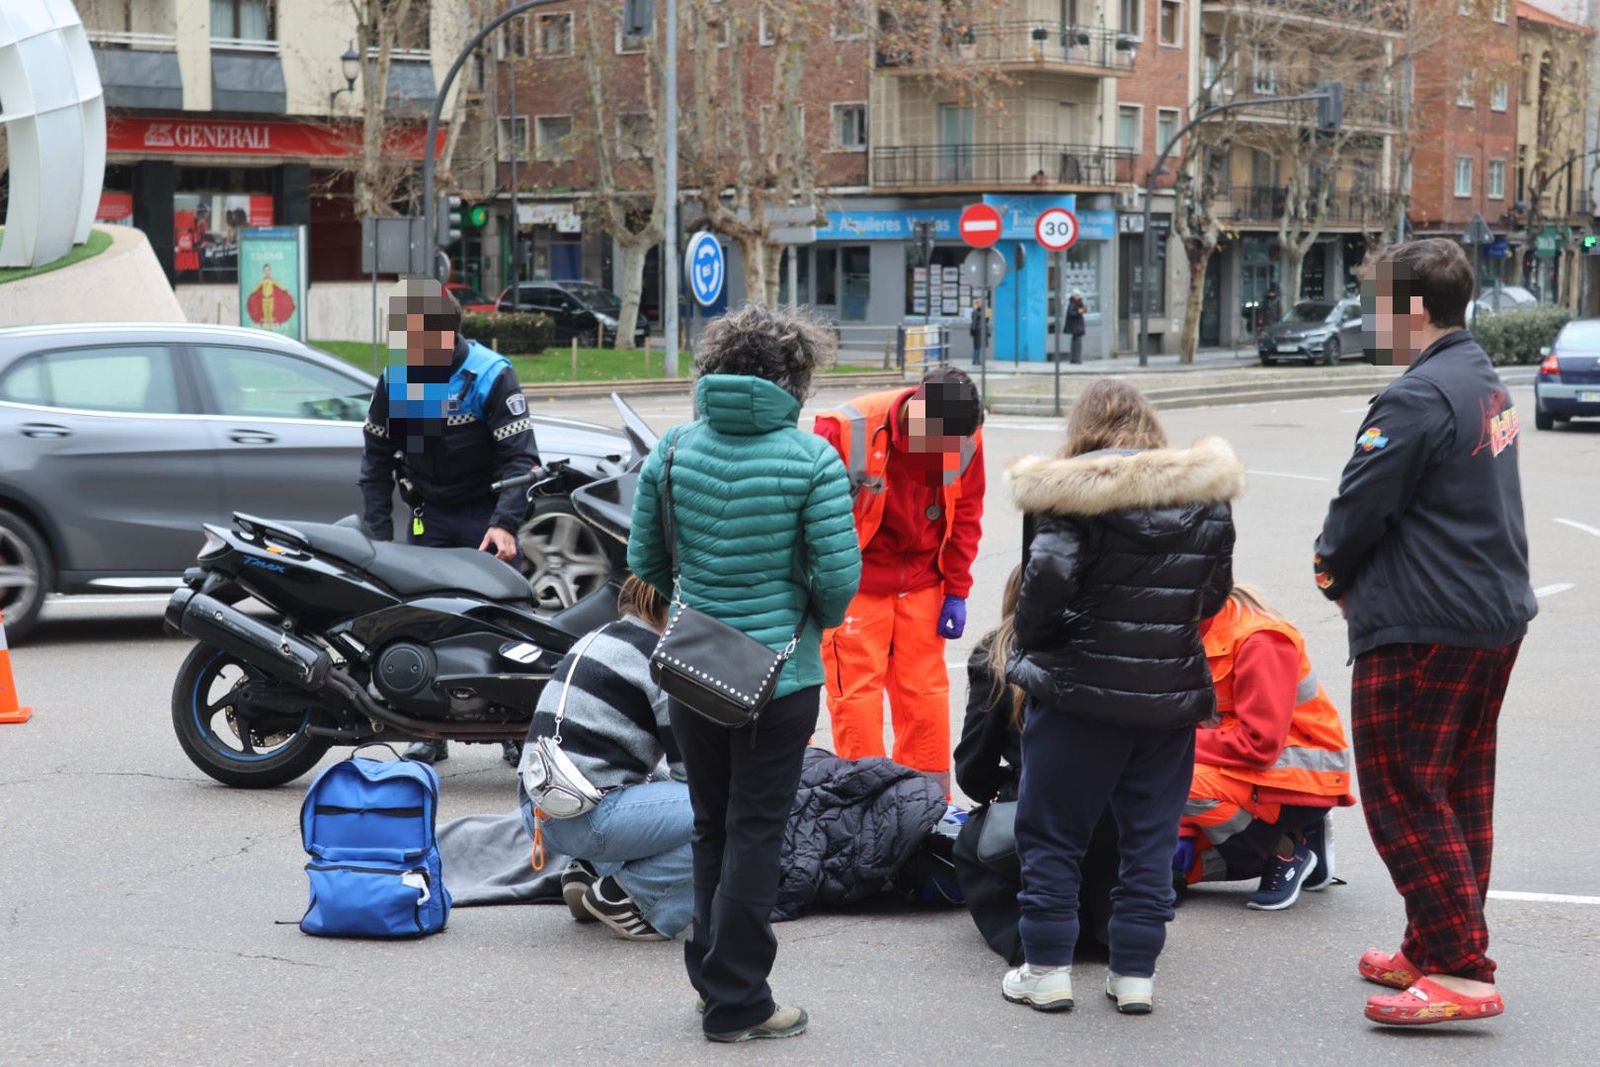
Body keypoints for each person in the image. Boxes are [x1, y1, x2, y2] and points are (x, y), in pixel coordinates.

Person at [1314, 238, 1536, 1026]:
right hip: (1489, 611)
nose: (1369, 317)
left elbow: (1358, 509)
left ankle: (1462, 969)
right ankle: (1434, 944)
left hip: (1426, 620)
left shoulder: (1415, 396)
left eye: (1376, 302)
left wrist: (1330, 572)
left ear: (1410, 309)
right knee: (1456, 789)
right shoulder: (1480, 377)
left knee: (1404, 792)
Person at [629, 304, 862, 1043]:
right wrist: (804, 612)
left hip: (694, 667)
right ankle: (740, 1002)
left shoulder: (673, 449)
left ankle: (712, 980)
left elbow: (645, 562)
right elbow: (838, 584)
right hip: (779, 679)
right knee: (756, 832)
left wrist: (696, 595)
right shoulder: (813, 459)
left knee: (710, 826)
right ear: (796, 377)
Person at [1002, 379, 1241, 1015]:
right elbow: (1214, 593)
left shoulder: (1069, 490)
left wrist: (1039, 639)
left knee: (1052, 832)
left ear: (1082, 427)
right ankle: (1135, 973)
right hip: (1169, 696)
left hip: (1078, 693)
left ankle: (1047, 969)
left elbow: (1045, 579)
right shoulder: (1205, 495)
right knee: (1151, 838)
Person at [360, 277, 537, 766]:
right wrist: (379, 539)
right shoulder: (399, 379)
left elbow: (521, 461)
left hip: (486, 516)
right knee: (421, 620)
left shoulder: (489, 375)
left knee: (501, 622)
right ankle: (428, 729)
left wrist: (506, 523)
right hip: (429, 516)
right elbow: (376, 463)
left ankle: (512, 727)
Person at [813, 367, 985, 795]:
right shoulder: (846, 431)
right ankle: (864, 803)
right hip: (856, 583)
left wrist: (957, 590)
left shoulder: (964, 436)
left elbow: (966, 513)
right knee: (857, 698)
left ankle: (928, 805)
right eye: (937, 447)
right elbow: (815, 521)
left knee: (925, 697)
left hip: (923, 580)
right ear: (916, 418)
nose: (944, 457)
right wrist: (825, 591)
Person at [951, 566, 1117, 966]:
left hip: (1041, 804)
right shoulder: (1109, 644)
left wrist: (1002, 788)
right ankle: (1109, 928)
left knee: (973, 844)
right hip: (1115, 808)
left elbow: (974, 769)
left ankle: (1031, 937)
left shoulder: (996, 654)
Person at [517, 576, 691, 942]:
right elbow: (690, 773)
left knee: (662, 794)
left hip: (538, 807)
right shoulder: (661, 658)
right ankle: (632, 898)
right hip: (584, 815)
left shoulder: (601, 637)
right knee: (725, 812)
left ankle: (591, 869)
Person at [1177, 584, 1355, 911]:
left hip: (1298, 779)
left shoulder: (1261, 641)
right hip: (1242, 771)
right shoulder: (1191, 633)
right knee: (1173, 859)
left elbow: (1259, 745)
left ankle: (1283, 851)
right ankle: (1292, 837)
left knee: (1174, 782)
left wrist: (1166, 747)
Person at [1065, 290, 1086, 365]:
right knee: (1077, 343)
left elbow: (1084, 309)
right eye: (1077, 295)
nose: (1079, 296)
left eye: (1079, 295)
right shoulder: (1072, 303)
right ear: (1074, 295)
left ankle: (1074, 359)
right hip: (1076, 326)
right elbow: (1071, 313)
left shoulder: (1078, 302)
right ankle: (1076, 359)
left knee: (1076, 343)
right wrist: (1079, 312)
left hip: (1077, 325)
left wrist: (1082, 310)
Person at [969, 295, 990, 365]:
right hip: (979, 330)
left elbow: (987, 320)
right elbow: (986, 321)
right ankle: (976, 360)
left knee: (978, 346)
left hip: (979, 330)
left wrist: (972, 330)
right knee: (977, 346)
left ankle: (976, 360)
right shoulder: (976, 311)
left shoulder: (979, 311)